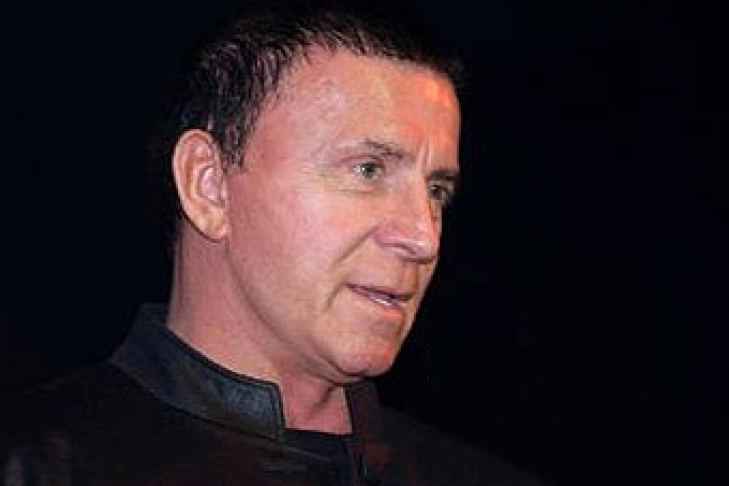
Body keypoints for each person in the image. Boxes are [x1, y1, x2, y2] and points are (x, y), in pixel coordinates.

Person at [1, 1, 549, 484]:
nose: (423, 236)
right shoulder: (32, 466)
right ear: (208, 186)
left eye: (436, 191)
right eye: (367, 170)